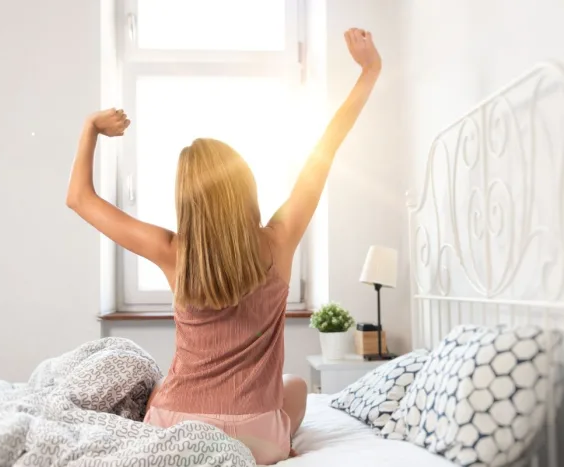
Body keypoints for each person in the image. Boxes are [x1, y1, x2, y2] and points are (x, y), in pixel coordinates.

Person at [66, 28, 381, 464]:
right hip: (260, 437)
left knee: (161, 387)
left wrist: (90, 129)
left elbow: (79, 198)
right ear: (244, 186)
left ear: (186, 201)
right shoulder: (279, 240)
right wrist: (369, 71)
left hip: (175, 428)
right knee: (295, 386)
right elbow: (324, 151)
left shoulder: (171, 250)